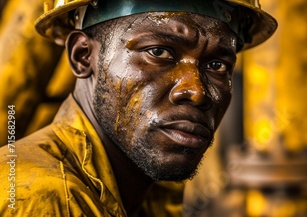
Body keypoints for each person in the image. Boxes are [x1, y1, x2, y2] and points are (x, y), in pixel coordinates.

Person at [0, 0, 277, 216]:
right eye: (159, 52)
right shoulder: (38, 200)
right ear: (83, 56)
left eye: (217, 66)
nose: (197, 91)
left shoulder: (150, 193)